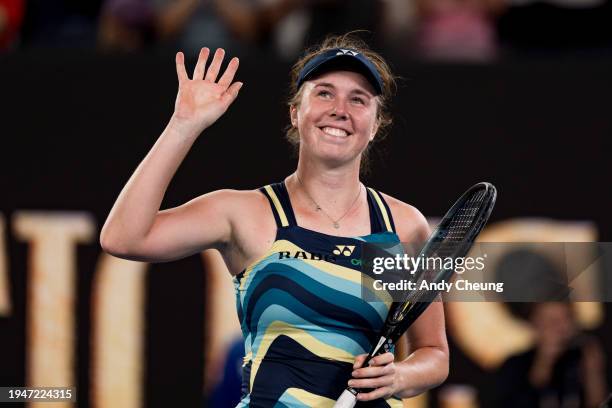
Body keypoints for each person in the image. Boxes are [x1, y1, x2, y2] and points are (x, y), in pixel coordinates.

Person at [100, 33, 449, 406]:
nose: (340, 110)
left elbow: (433, 353)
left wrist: (399, 375)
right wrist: (183, 126)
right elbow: (123, 238)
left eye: (358, 99)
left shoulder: (403, 226)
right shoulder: (245, 212)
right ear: (295, 113)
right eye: (324, 93)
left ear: (375, 125)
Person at [496, 302, 608, 408]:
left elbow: (598, 402)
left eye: (565, 319)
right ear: (534, 324)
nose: (558, 328)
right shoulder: (515, 365)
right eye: (550, 321)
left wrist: (594, 373)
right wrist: (544, 361)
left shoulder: (584, 356)